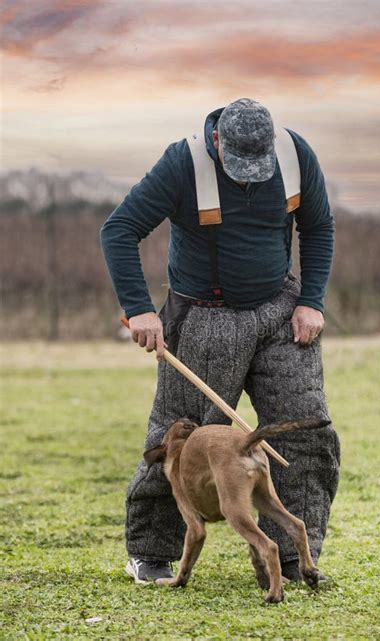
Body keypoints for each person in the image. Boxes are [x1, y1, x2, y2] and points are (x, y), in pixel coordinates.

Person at [100, 98, 340, 585]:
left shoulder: (296, 155)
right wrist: (140, 308)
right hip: (204, 316)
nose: (250, 178)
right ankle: (150, 552)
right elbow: (119, 230)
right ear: (217, 140)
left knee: (304, 433)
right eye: (239, 167)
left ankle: (297, 557)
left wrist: (312, 299)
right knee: (180, 438)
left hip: (280, 310)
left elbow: (319, 227)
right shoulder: (181, 163)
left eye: (259, 166)